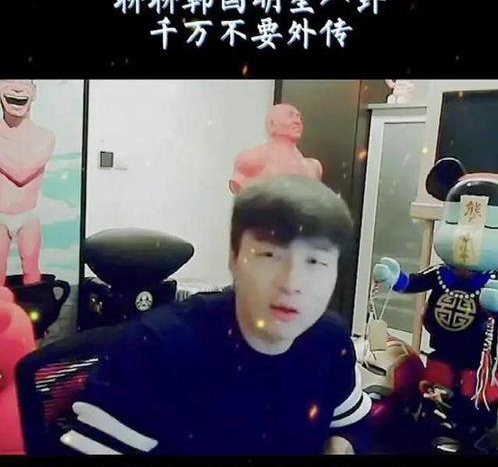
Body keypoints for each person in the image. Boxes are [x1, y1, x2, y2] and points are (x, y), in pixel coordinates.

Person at [59, 175, 371, 455]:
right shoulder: (155, 349)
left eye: (315, 262)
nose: (292, 283)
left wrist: (340, 443)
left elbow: (351, 424)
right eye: (270, 255)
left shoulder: (329, 340)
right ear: (234, 258)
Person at [0, 79, 55, 286]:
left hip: (28, 216)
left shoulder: (45, 137)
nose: (16, 88)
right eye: (9, 81)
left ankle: (32, 305)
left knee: (31, 269)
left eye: (23, 81)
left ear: (34, 92)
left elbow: (21, 173)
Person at [229, 103, 323, 194]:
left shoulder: (312, 167)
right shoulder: (252, 158)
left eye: (298, 117)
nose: (297, 121)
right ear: (272, 124)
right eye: (290, 116)